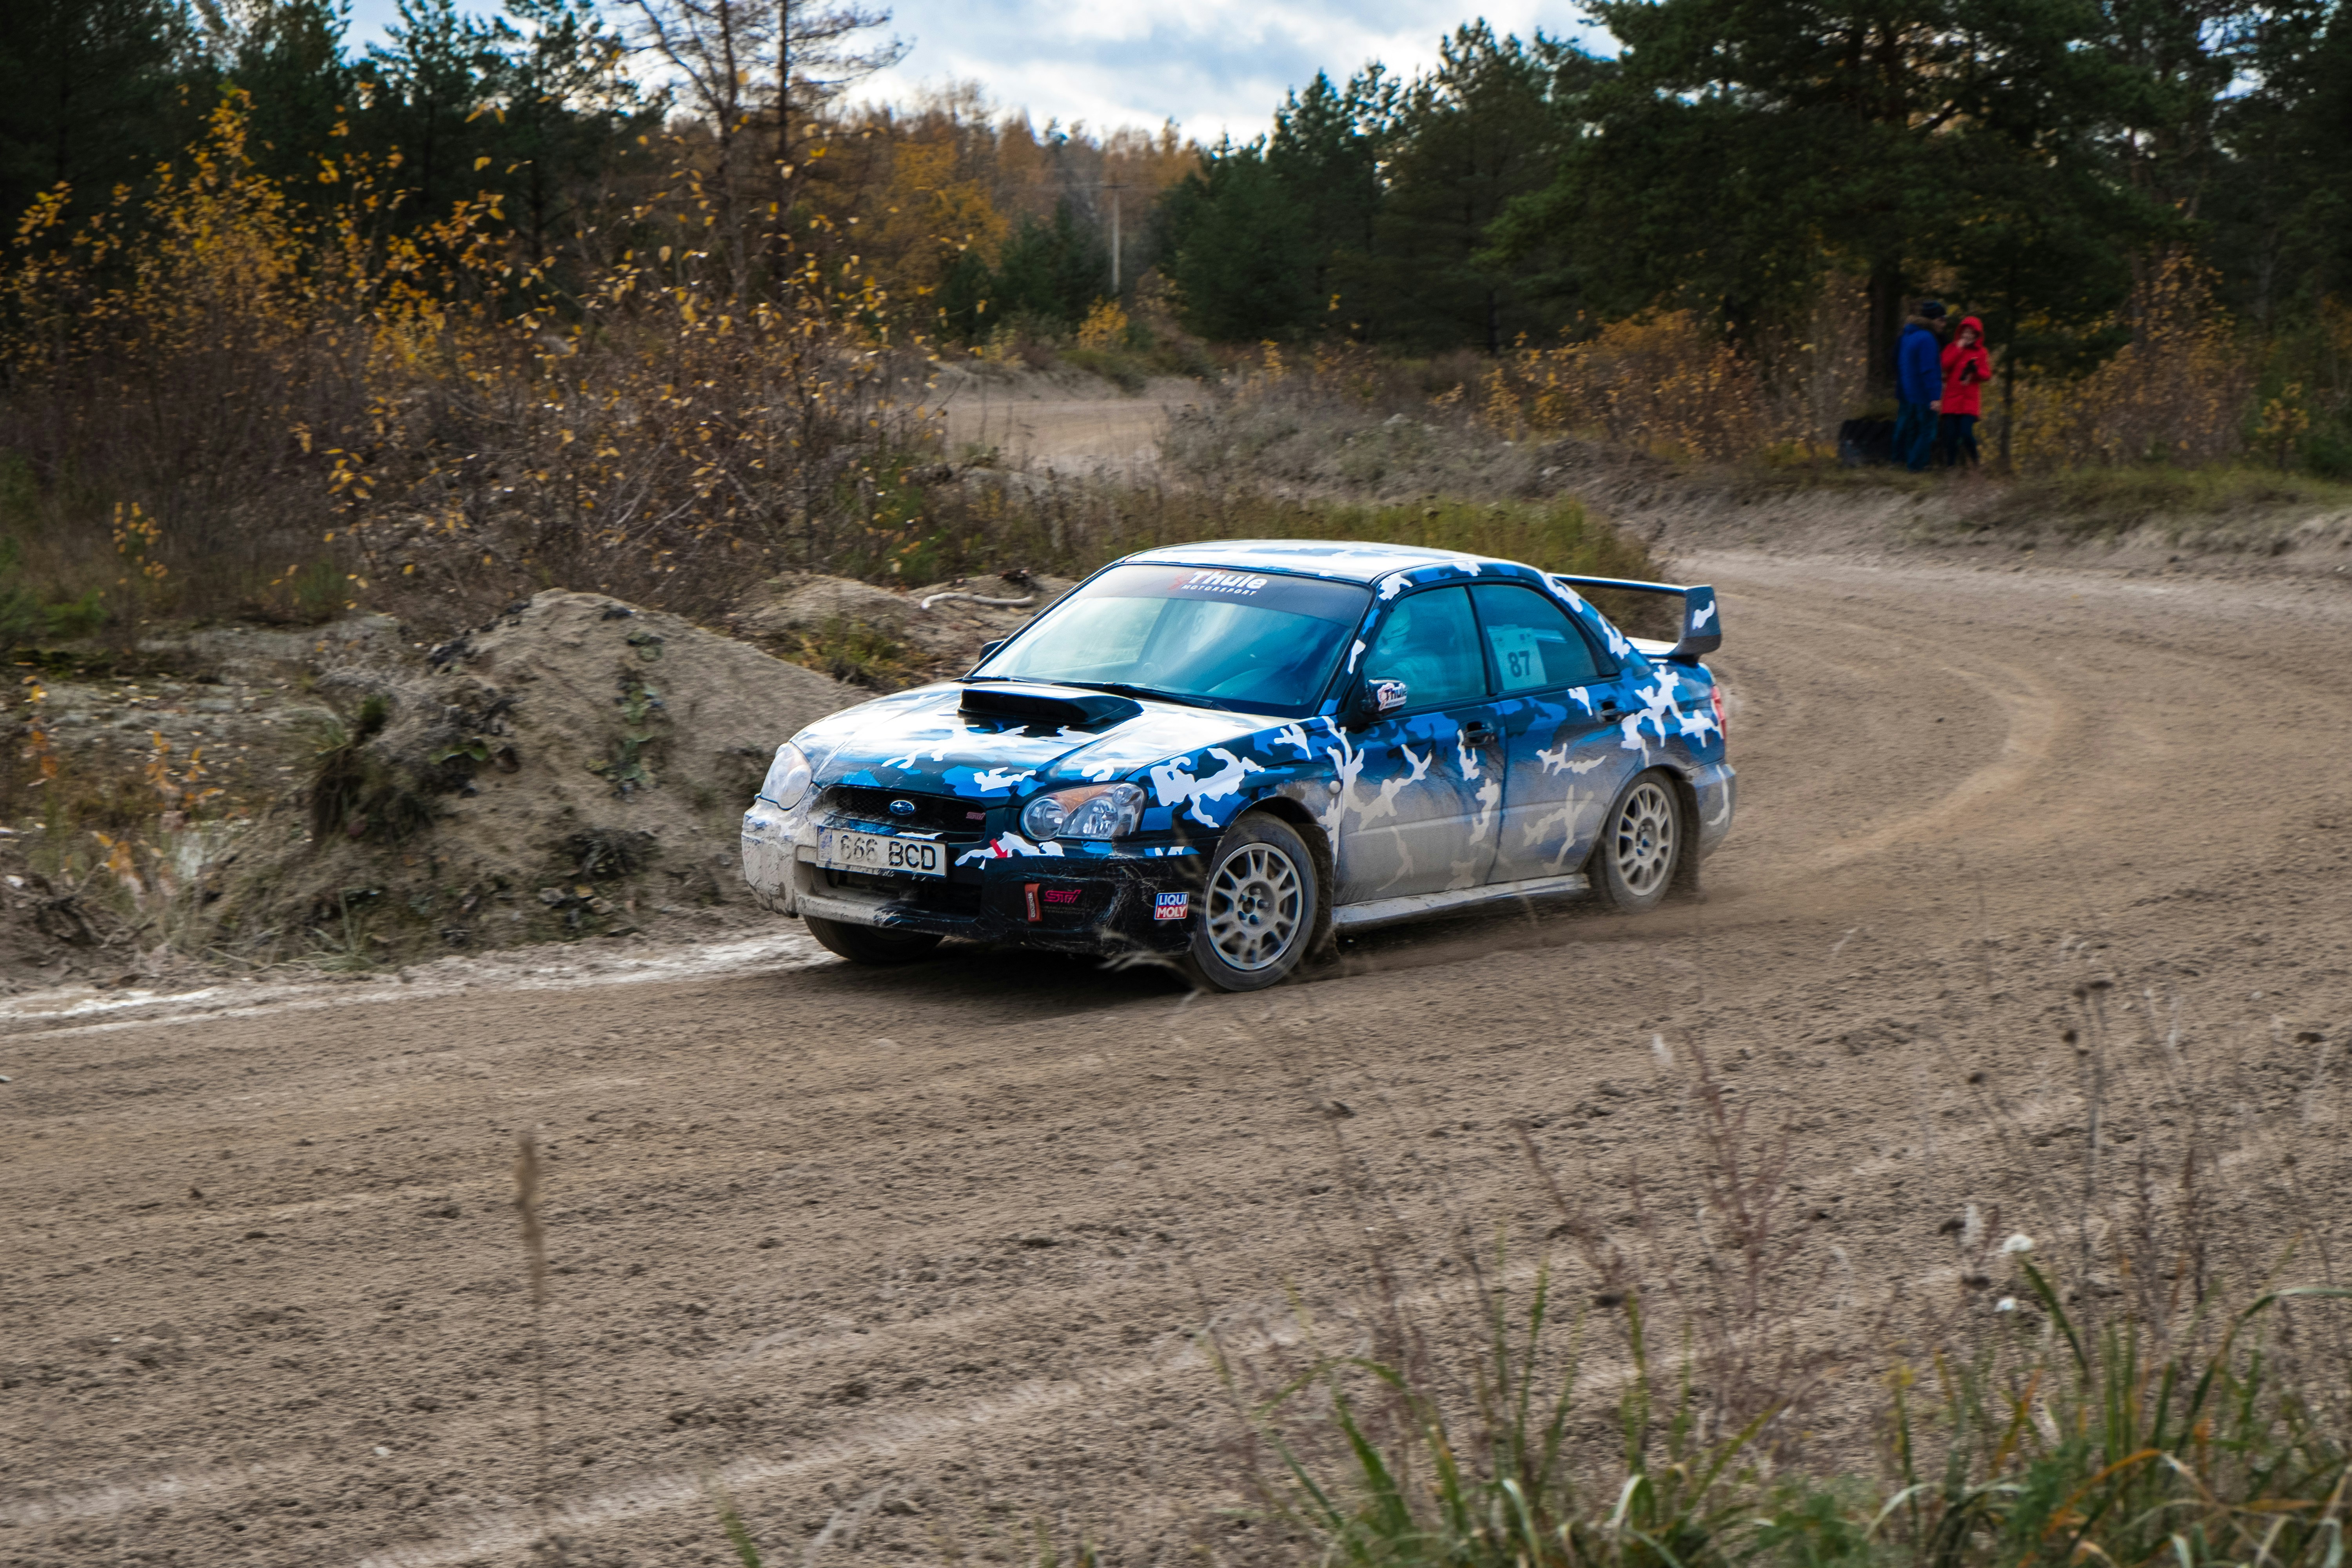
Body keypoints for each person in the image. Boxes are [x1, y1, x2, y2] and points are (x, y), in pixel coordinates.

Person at [1894, 300, 1946, 472]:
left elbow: (1901, 365)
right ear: (1933, 320)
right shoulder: (1927, 339)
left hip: (1910, 393)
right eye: (1942, 319)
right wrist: (1935, 397)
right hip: (1923, 393)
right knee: (1927, 430)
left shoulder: (1908, 336)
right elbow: (1929, 370)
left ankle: (1909, 462)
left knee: (1913, 429)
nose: (1944, 324)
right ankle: (1917, 465)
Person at [1938, 315, 1991, 468]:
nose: (1967, 335)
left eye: (1971, 333)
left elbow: (1987, 375)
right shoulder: (1952, 348)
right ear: (1960, 333)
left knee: (1966, 433)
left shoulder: (1982, 352)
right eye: (1965, 332)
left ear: (1977, 335)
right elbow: (1944, 365)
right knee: (1951, 436)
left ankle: (1976, 462)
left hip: (1969, 401)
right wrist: (1958, 349)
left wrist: (1976, 371)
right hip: (1951, 399)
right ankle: (1951, 467)